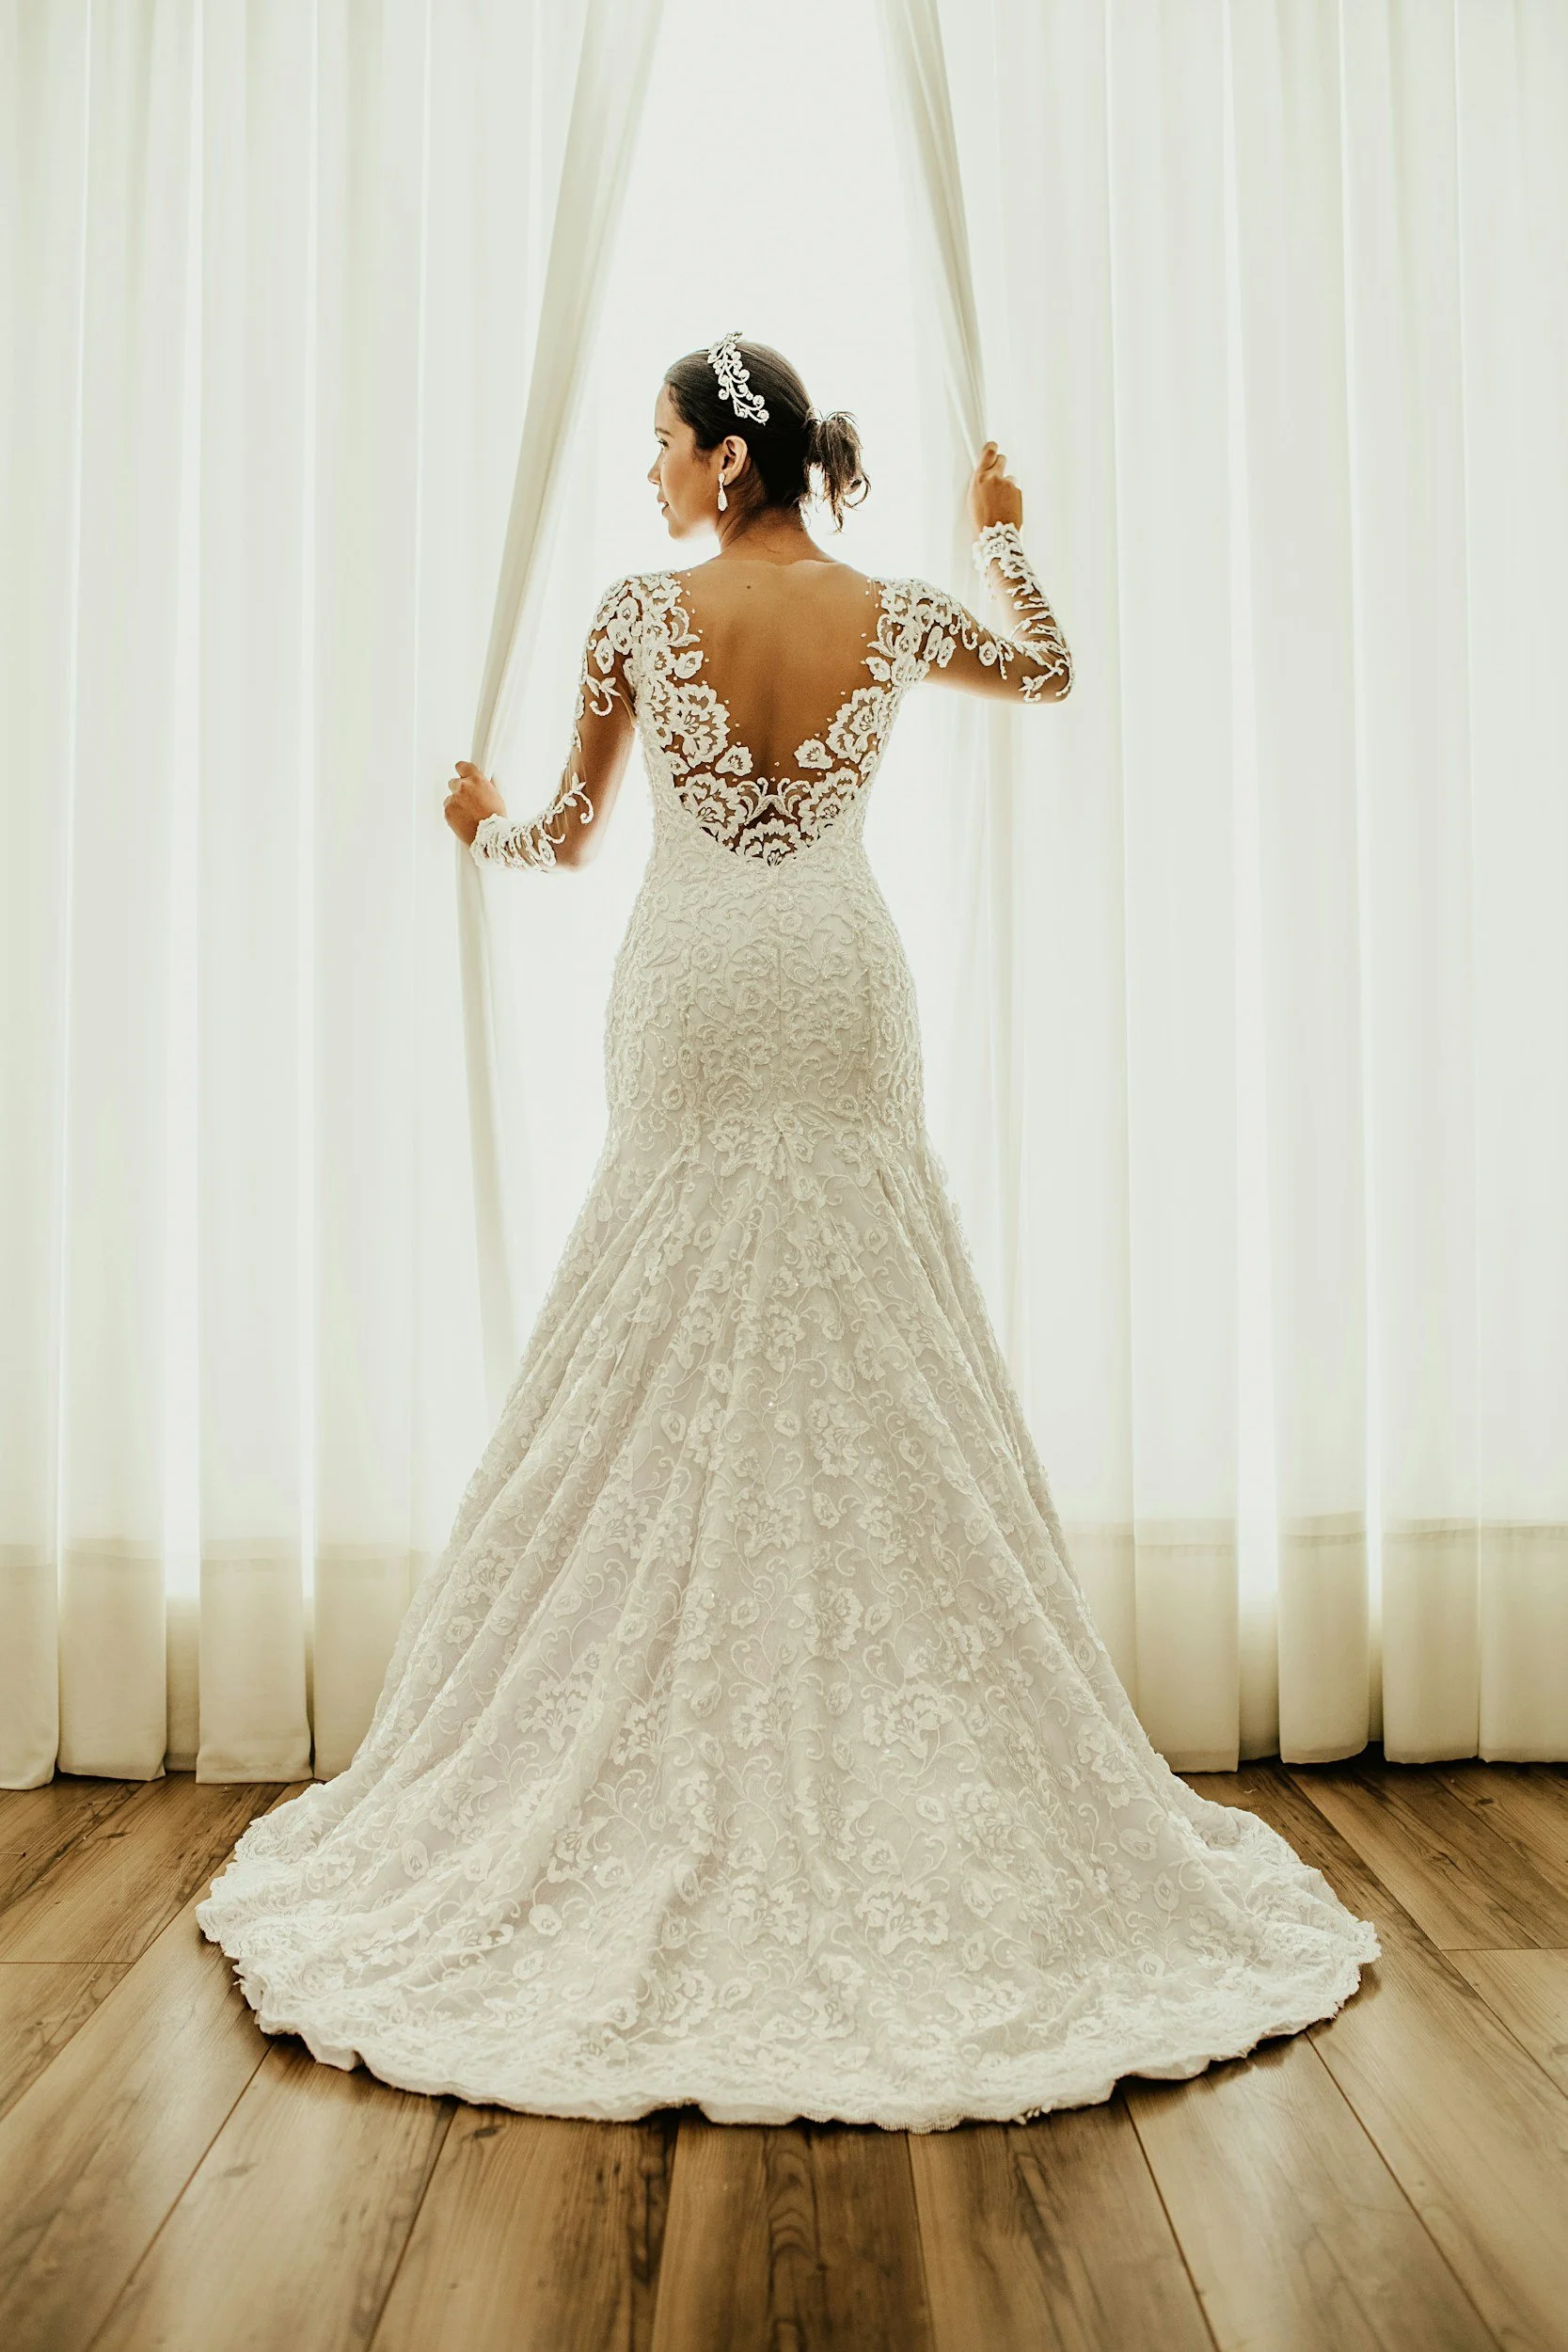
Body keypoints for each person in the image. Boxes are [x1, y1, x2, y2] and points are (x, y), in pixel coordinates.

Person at [197, 336, 1377, 2129]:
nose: (650, 477)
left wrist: (476, 828)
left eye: (662, 448)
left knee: (655, 1295)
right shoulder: (895, 610)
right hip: (833, 976)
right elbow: (1048, 668)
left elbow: (572, 838)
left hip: (691, 983)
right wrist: (1004, 533)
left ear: (728, 462)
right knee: (869, 1306)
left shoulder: (631, 616)